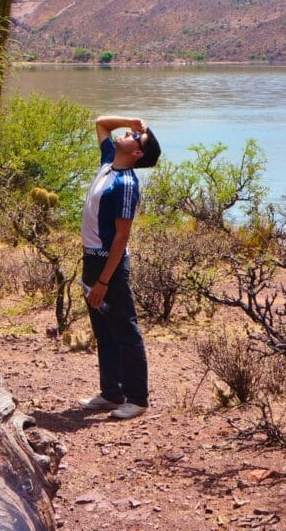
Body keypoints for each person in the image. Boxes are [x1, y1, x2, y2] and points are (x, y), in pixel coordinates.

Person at [79, 114, 161, 420]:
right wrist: (134, 121)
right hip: (91, 257)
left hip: (108, 263)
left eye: (135, 137)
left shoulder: (126, 184)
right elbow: (101, 123)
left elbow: (121, 237)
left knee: (125, 329)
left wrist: (103, 281)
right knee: (104, 330)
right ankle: (111, 392)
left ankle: (137, 398)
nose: (128, 133)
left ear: (137, 153)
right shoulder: (110, 159)